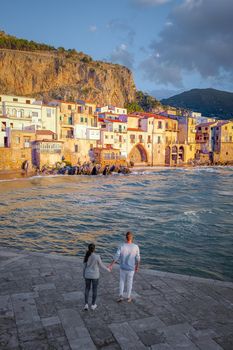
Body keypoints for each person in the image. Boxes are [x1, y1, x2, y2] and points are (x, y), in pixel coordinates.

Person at [108, 232, 140, 303]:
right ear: (132, 238)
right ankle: (128, 297)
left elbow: (116, 256)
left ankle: (120, 296)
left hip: (123, 268)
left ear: (126, 238)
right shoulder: (136, 246)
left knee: (121, 282)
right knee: (130, 282)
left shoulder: (122, 246)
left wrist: (111, 265)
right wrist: (137, 266)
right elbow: (138, 258)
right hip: (131, 269)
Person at [83, 243, 110, 311]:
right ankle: (93, 305)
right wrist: (108, 269)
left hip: (87, 275)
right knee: (94, 290)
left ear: (88, 248)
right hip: (95, 276)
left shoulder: (86, 256)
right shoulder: (97, 256)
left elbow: (84, 267)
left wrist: (84, 274)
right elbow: (101, 265)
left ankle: (86, 304)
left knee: (87, 289)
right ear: (94, 249)